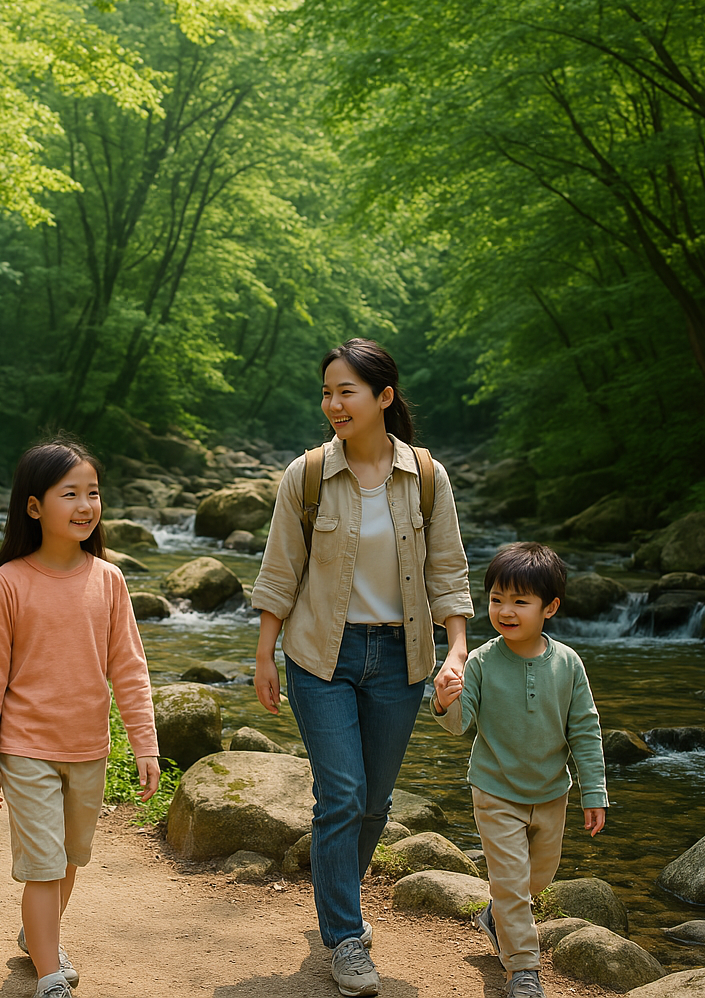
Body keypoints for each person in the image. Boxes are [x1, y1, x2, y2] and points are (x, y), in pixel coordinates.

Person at [251, 338, 474, 997]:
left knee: (374, 803)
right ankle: (345, 938)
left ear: (383, 397)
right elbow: (280, 571)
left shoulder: (427, 477)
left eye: (345, 391)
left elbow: (450, 573)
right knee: (342, 793)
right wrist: (264, 653)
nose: (332, 404)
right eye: (326, 393)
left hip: (400, 659)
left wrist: (456, 648)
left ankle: (340, 900)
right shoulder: (309, 475)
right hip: (322, 655)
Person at [0, 439, 161, 998]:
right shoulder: (9, 583)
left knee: (71, 858)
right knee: (44, 865)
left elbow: (129, 668)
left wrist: (144, 744)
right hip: (26, 747)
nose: (85, 505)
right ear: (34, 508)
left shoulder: (108, 580)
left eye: (93, 493)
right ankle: (51, 975)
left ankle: (38, 936)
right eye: (69, 493)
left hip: (88, 749)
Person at [432, 541, 608, 998]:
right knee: (511, 882)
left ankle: (497, 916)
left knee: (536, 880)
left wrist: (595, 792)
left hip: (552, 793)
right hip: (495, 789)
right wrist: (442, 701)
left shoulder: (567, 663)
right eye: (496, 599)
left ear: (549, 607)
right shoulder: (482, 663)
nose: (505, 610)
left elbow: (585, 731)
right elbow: (459, 725)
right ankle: (523, 971)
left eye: (519, 601)